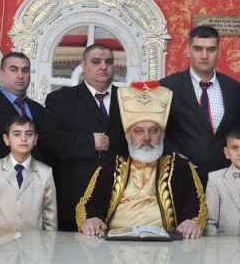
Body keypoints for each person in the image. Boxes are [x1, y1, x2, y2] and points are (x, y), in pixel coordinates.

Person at [76, 82, 206, 239]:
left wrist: (191, 222)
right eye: (138, 131)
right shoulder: (111, 166)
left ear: (163, 135)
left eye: (153, 131)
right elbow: (89, 204)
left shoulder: (180, 166)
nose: (146, 138)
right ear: (127, 136)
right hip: (114, 246)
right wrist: (91, 219)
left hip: (166, 246)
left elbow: (196, 207)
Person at [40, 43, 128, 232]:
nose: (103, 67)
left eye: (109, 62)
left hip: (121, 202)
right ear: (83, 65)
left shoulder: (128, 98)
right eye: (96, 62)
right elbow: (48, 140)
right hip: (74, 199)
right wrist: (89, 142)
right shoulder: (61, 99)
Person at [0, 51, 52, 225]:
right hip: (1, 203)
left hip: (36, 202)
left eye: (25, 70)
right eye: (14, 70)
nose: (20, 75)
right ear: (1, 74)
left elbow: (46, 155)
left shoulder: (39, 111)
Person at [159, 25, 240, 186]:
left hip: (226, 178)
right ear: (188, 50)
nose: (204, 56)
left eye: (211, 50)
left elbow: (239, 129)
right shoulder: (168, 87)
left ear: (219, 52)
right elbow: (158, 130)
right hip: (182, 177)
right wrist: (174, 156)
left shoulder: (233, 88)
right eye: (198, 49)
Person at [0, 116, 57, 255]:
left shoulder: (45, 172)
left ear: (35, 139)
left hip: (34, 251)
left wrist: (48, 255)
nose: (23, 139)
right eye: (17, 134)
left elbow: (50, 218)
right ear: (6, 139)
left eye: (29, 134)